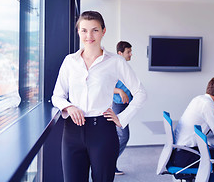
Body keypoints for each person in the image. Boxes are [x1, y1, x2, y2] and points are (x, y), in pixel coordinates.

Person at [51, 11, 147, 182]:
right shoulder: (69, 61)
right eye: (84, 30)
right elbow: (57, 96)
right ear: (78, 32)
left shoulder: (116, 62)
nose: (89, 35)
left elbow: (141, 92)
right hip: (72, 132)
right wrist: (69, 107)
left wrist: (122, 118)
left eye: (95, 30)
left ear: (103, 31)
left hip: (103, 131)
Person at [113, 41, 133, 175]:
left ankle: (110, 163)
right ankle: (109, 163)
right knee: (124, 136)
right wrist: (120, 91)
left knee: (121, 136)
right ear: (120, 53)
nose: (131, 54)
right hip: (117, 106)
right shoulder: (115, 68)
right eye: (128, 52)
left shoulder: (125, 67)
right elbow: (106, 86)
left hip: (124, 106)